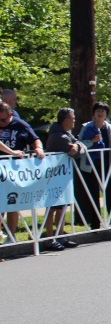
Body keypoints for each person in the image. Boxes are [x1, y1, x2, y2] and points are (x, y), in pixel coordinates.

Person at [0, 100, 44, 241]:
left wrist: (39, 148)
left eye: (3, 120)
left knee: (12, 203)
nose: (1, 123)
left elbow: (35, 139)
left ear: (10, 114)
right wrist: (12, 152)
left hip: (14, 171)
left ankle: (11, 237)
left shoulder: (20, 125)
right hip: (1, 169)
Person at [41, 108, 84, 251]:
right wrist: (77, 148)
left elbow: (80, 146)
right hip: (53, 176)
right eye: (73, 118)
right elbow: (76, 154)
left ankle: (60, 236)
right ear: (66, 121)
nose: (74, 121)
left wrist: (77, 146)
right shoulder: (59, 136)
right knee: (52, 208)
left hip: (62, 176)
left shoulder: (66, 133)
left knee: (62, 206)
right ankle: (49, 239)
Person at [78, 101, 111, 232]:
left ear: (106, 114)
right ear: (93, 113)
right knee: (93, 195)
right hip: (91, 166)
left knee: (109, 194)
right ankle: (95, 226)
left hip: (106, 165)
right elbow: (80, 144)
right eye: (97, 111)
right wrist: (92, 141)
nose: (100, 113)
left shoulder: (110, 128)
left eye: (102, 111)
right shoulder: (87, 127)